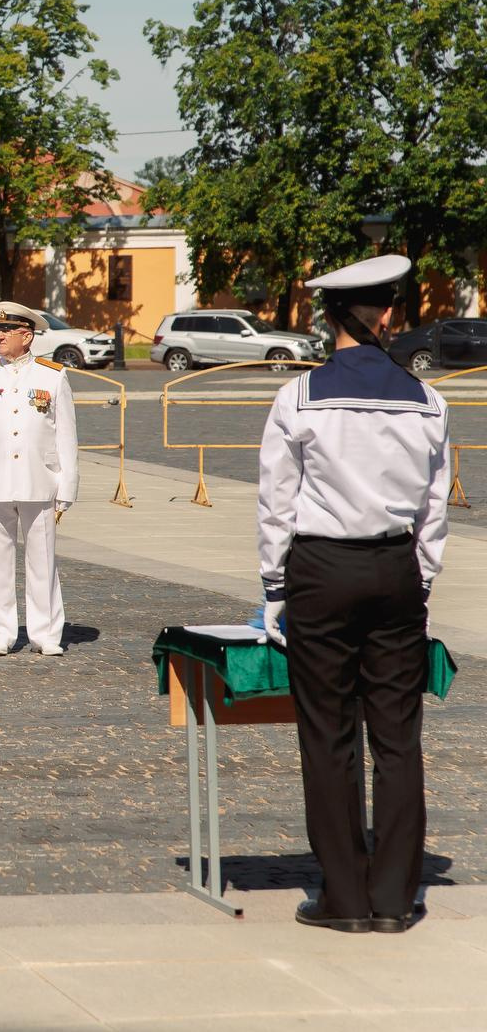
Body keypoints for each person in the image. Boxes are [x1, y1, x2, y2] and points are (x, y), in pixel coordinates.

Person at [258, 254, 450, 934]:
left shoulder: (300, 396)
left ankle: (343, 892)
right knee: (398, 735)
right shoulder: (428, 399)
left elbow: (276, 501)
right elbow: (434, 507)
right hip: (395, 566)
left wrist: (274, 584)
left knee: (329, 732)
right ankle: (396, 894)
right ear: (387, 314)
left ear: (329, 316)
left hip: (322, 567)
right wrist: (419, 577)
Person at [0, 301, 77, 656]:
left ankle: (46, 633)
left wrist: (67, 484)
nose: (0, 336)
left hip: (38, 480)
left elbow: (66, 436)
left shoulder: (52, 376)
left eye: (7, 331)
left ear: (27, 336)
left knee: (42, 560)